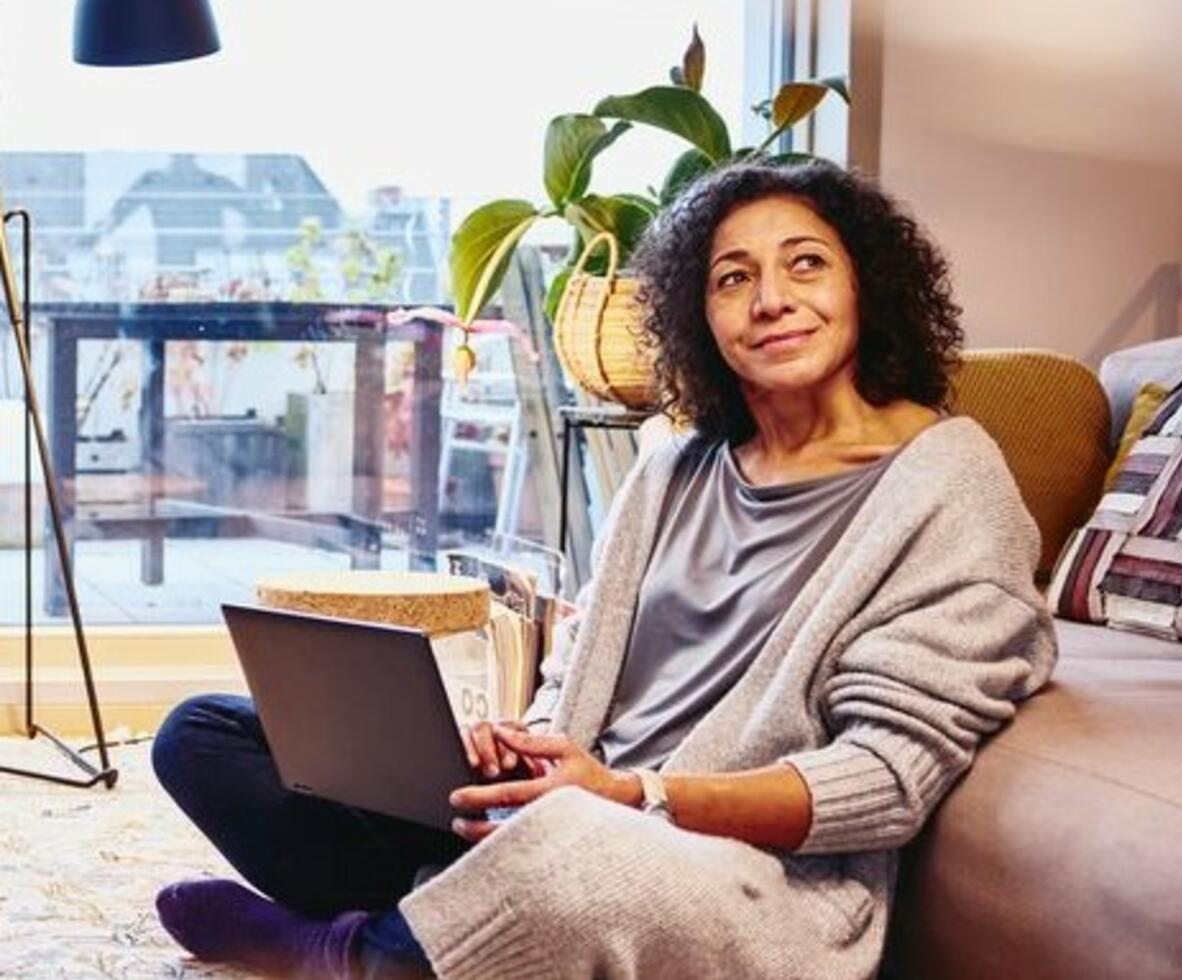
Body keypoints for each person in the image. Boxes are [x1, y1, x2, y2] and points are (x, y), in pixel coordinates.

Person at [151, 160, 1056, 979]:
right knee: (202, 736)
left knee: (576, 855)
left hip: (729, 870)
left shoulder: (949, 488)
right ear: (698, 317)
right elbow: (582, 672)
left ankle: (350, 953)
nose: (770, 299)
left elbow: (887, 780)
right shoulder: (674, 467)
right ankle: (445, 926)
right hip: (565, 808)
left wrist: (634, 795)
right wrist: (527, 743)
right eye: (732, 278)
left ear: (868, 285)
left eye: (806, 264)